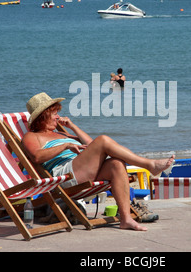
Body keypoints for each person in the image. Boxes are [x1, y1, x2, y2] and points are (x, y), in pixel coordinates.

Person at [22, 92, 175, 231]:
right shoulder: (32, 136)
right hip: (64, 176)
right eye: (54, 113)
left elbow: (90, 145)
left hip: (80, 169)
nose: (58, 116)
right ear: (43, 116)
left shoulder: (61, 133)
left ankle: (126, 219)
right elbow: (36, 157)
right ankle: (149, 165)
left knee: (116, 164)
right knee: (103, 140)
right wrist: (65, 145)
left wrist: (73, 127)